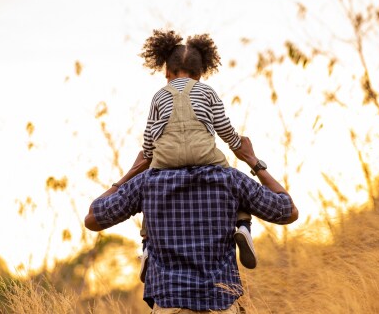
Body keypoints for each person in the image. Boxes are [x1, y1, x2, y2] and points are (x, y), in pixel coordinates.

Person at [85, 136, 299, 312]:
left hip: (170, 302)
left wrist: (134, 171)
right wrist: (252, 160)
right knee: (238, 207)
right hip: (220, 302)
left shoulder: (146, 182)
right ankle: (244, 225)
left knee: (152, 215)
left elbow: (94, 218)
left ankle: (147, 244)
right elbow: (287, 211)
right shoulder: (230, 178)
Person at [111, 29, 257, 276]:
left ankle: (147, 245)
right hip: (206, 158)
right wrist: (237, 144)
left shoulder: (159, 96)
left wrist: (149, 155)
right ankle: (243, 226)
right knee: (233, 181)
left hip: (165, 161)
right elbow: (224, 129)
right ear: (200, 73)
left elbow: (149, 139)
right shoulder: (208, 92)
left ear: (166, 71)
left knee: (150, 190)